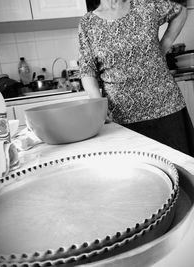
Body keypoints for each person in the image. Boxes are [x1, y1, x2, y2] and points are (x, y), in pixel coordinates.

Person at [78, 0, 194, 157]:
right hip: (122, 117)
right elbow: (87, 70)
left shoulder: (146, 5)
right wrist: (97, 104)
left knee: (182, 171)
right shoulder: (87, 23)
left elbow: (180, 11)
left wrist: (164, 44)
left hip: (166, 107)